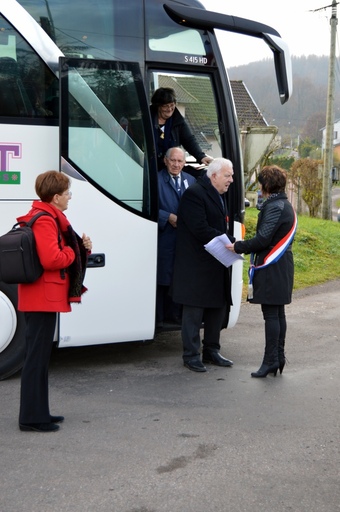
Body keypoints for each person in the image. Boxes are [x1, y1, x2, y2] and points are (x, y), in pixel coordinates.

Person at [17, 170, 92, 432]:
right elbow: (52, 259)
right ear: (56, 196)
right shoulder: (46, 221)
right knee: (36, 359)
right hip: (41, 298)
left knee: (39, 357)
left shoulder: (47, 217)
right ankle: (31, 418)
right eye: (68, 193)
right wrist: (73, 250)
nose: (70, 197)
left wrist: (81, 248)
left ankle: (40, 412)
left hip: (41, 297)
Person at [227, 165, 296, 378]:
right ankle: (279, 357)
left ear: (266, 185)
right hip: (282, 264)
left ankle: (270, 361)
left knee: (271, 315)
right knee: (278, 313)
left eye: (260, 184)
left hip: (272, 266)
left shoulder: (274, 206)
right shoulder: (284, 204)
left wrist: (238, 246)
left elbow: (263, 239)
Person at [171, 158, 235, 372]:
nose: (231, 180)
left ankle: (211, 350)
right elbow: (200, 228)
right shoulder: (194, 194)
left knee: (217, 307)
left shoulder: (217, 194)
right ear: (214, 175)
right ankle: (191, 355)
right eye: (228, 176)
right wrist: (228, 241)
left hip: (215, 262)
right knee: (194, 311)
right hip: (196, 265)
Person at [157, 147, 196, 328]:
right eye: (173, 160)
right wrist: (167, 217)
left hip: (185, 241)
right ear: (166, 161)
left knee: (181, 277)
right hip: (164, 238)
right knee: (163, 278)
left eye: (180, 161)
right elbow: (147, 208)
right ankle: (160, 318)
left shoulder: (191, 180)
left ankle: (176, 316)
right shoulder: (156, 180)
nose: (176, 164)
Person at [150, 87, 213, 171]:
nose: (169, 109)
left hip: (171, 168)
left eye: (172, 105)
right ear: (157, 106)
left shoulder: (178, 121)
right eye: (165, 106)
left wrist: (201, 156)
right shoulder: (146, 119)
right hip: (149, 167)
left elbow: (189, 140)